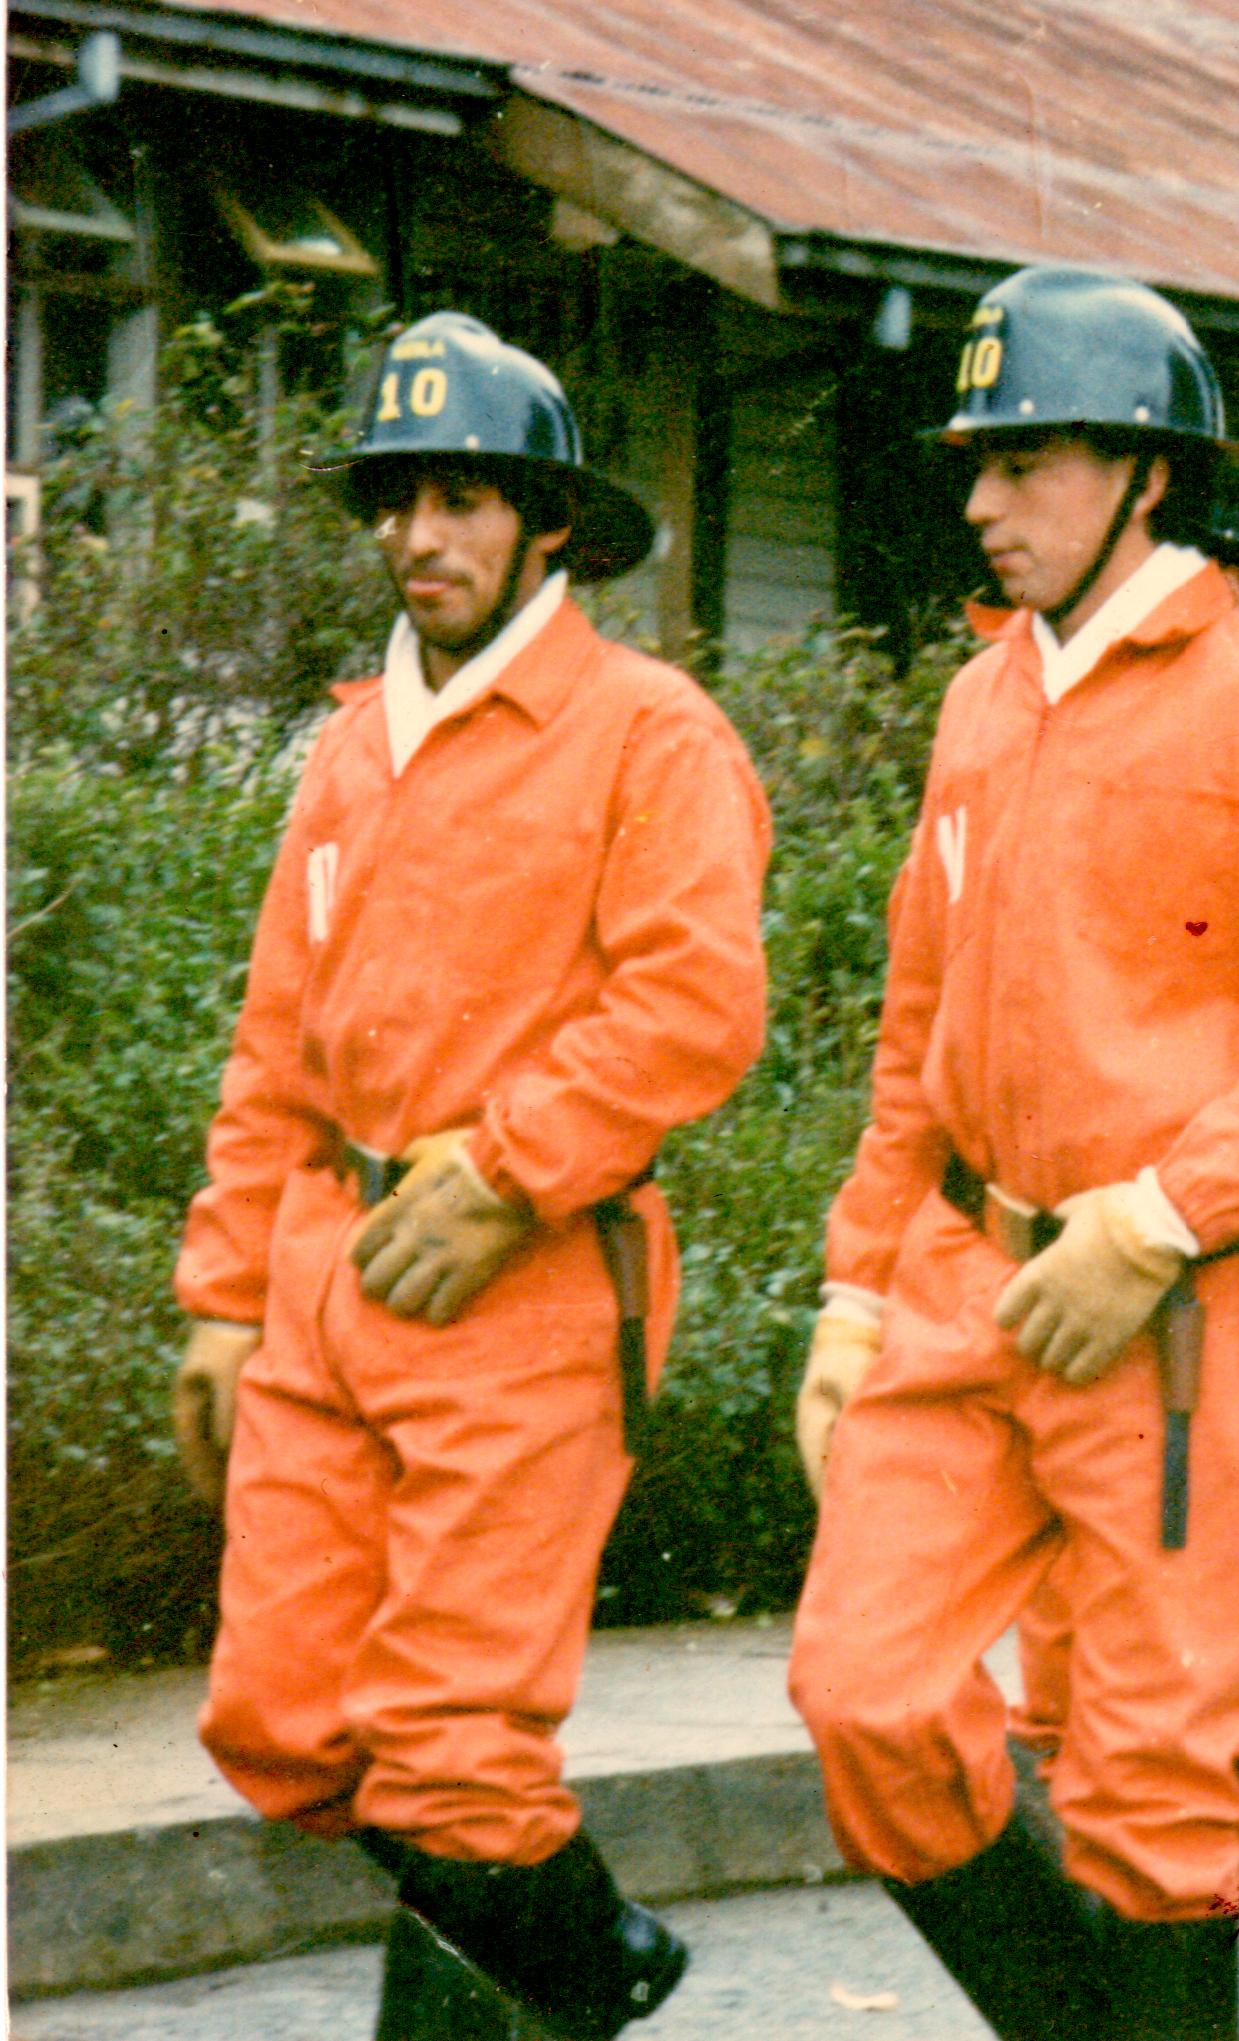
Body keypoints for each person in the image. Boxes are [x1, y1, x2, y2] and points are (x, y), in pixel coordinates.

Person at [784, 267, 1239, 2041]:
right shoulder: (983, 703)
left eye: (1028, 461)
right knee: (863, 1693)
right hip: (964, 1280)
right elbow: (917, 1029)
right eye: (978, 463)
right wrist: (856, 1294)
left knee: (1154, 1787)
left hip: (1171, 1316)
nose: (983, 502)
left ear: (1146, 474)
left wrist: (1157, 1217)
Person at [169, 310, 772, 2040]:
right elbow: (275, 1037)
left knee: (452, 1748)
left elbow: (693, 1006)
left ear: (547, 520)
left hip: (518, 1285)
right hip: (323, 1270)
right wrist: (223, 1294)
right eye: (393, 501)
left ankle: (544, 1993)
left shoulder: (646, 733)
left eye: (462, 498)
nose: (419, 537)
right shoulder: (356, 742)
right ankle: (598, 1962)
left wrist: (513, 1167)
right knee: (278, 1721)